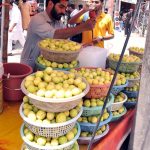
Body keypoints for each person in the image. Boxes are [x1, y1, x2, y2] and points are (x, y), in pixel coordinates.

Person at [20, 0, 96, 69]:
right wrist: (82, 27)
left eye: (65, 8)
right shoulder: (37, 19)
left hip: (47, 67)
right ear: (50, 4)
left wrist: (81, 46)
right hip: (30, 66)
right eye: (61, 7)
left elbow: (65, 42)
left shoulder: (58, 22)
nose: (63, 11)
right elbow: (55, 35)